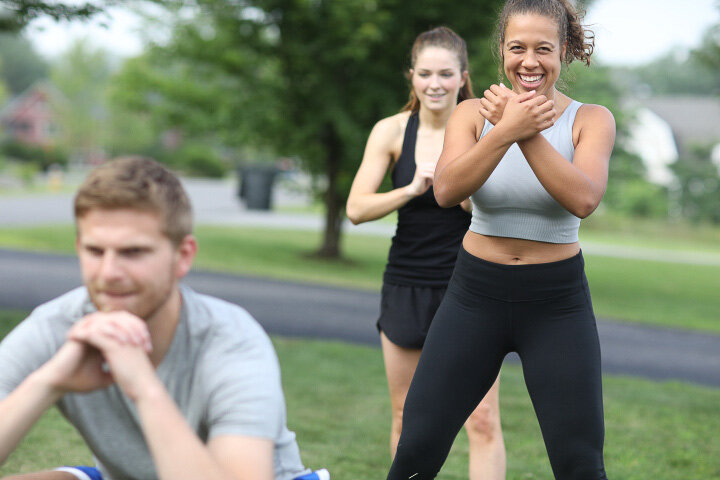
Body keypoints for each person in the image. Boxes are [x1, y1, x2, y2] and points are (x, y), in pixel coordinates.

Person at [386, 1, 616, 479]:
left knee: (580, 463)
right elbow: (447, 191)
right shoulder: (472, 113)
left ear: (564, 50)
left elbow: (583, 198)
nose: (529, 61)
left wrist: (522, 131)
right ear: (502, 51)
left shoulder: (591, 119)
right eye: (517, 48)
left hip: (557, 305)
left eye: (543, 49)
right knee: (417, 450)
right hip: (473, 297)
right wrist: (504, 130)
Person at [0, 157, 325, 480]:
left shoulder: (231, 340)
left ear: (183, 256)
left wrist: (144, 387)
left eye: (133, 252)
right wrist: (48, 381)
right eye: (95, 251)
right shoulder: (57, 326)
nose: (109, 273)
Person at [346, 27, 506, 479]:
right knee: (406, 417)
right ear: (411, 76)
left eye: (445, 74)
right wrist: (412, 188)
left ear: (463, 77)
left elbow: (500, 208)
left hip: (471, 286)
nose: (435, 84)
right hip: (407, 284)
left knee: (482, 419)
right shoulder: (392, 131)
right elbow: (356, 208)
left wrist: (463, 192)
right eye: (425, 73)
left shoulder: (487, 130)